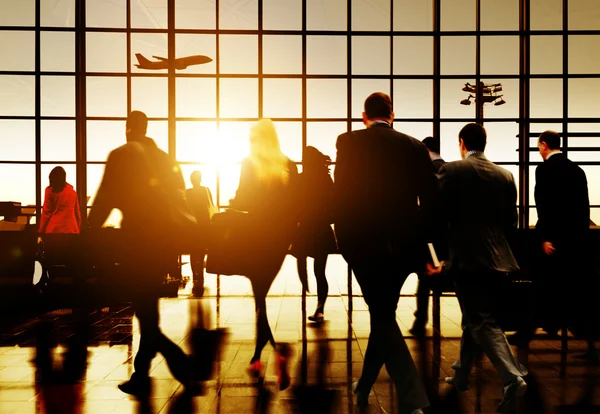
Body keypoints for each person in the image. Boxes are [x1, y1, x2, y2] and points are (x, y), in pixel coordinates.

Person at [334, 92, 436, 414]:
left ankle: (413, 397)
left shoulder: (348, 142)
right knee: (384, 315)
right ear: (392, 115)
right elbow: (431, 204)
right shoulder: (415, 147)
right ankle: (364, 386)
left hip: (363, 246)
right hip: (404, 247)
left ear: (364, 116)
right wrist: (431, 254)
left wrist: (344, 241)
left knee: (381, 316)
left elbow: (342, 194)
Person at [88, 110, 196, 397]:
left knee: (146, 312)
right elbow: (181, 195)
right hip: (162, 244)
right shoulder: (165, 158)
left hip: (136, 243)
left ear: (128, 128)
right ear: (146, 128)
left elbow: (104, 198)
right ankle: (141, 373)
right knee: (147, 309)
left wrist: (89, 233)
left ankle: (181, 367)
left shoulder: (121, 155)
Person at [438, 123, 528, 412]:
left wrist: (439, 254)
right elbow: (509, 221)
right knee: (475, 315)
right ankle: (462, 373)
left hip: (466, 257)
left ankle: (512, 377)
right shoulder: (505, 175)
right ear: (484, 143)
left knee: (481, 320)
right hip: (498, 258)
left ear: (461, 143)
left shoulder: (452, 171)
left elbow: (438, 215)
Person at [229, 118, 298, 390]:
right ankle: (258, 356)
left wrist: (235, 204)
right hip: (278, 241)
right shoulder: (288, 165)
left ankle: (277, 352)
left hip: (255, 238)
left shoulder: (250, 163)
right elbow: (296, 204)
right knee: (260, 298)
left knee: (260, 299)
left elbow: (242, 198)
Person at [532, 131, 595, 359]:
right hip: (576, 241)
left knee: (545, 285)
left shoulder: (544, 170)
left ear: (544, 145)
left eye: (539, 146)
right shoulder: (577, 170)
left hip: (555, 243)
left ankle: (541, 327)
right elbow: (583, 208)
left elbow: (544, 206)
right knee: (578, 292)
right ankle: (588, 343)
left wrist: (545, 238)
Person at [291, 146, 337, 323]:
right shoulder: (325, 178)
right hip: (321, 228)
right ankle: (320, 308)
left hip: (305, 228)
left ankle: (305, 284)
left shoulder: (301, 179)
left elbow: (293, 205)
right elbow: (333, 202)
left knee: (302, 260)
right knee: (320, 271)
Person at [410, 136, 446, 337]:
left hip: (429, 232)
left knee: (424, 275)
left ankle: (420, 318)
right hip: (445, 233)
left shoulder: (426, 171)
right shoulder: (449, 169)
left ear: (425, 150)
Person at [186, 170, 216, 297]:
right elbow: (211, 206)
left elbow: (186, 208)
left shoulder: (188, 193)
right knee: (202, 249)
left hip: (193, 224)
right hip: (204, 224)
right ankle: (200, 276)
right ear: (200, 179)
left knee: (194, 251)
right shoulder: (205, 190)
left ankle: (196, 276)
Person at [38, 166, 81, 237]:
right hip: (72, 230)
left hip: (54, 230)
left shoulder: (50, 191)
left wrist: (41, 231)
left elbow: (46, 213)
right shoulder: (72, 192)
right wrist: (78, 228)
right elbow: (77, 213)